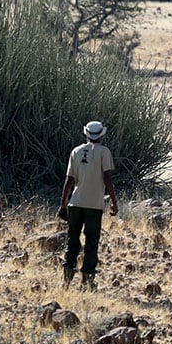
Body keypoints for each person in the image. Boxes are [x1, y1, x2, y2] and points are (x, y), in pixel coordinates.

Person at [58, 120, 118, 290]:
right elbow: (107, 177)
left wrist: (63, 204)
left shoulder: (76, 151)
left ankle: (67, 279)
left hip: (75, 203)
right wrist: (114, 201)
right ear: (102, 135)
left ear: (85, 134)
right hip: (94, 205)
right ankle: (87, 281)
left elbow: (69, 179)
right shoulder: (104, 152)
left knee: (72, 241)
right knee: (92, 242)